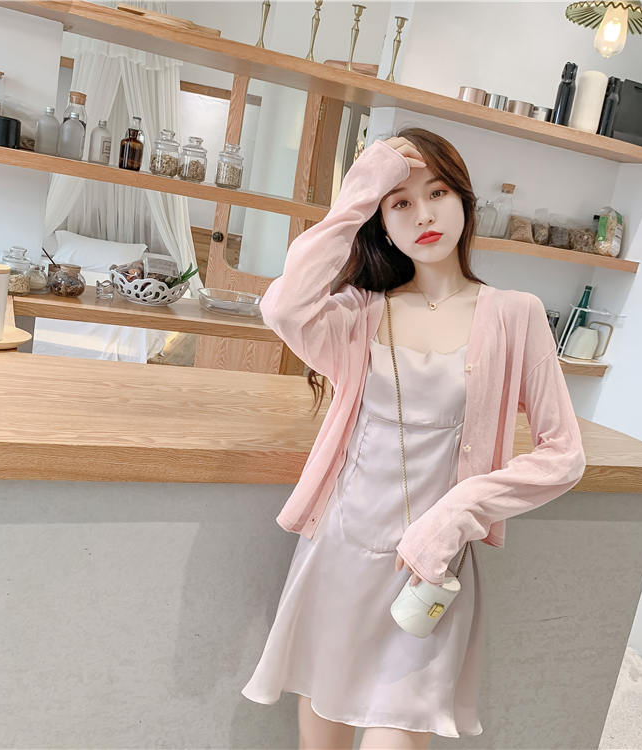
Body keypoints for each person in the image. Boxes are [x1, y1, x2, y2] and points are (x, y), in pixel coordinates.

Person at [241, 127, 586, 750]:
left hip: (429, 569)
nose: (423, 215)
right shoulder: (358, 313)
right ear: (380, 221)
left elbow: (563, 456)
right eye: (400, 202)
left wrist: (456, 515)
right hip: (341, 553)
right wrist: (360, 189)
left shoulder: (515, 314)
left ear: (465, 202)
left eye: (438, 193)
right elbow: (283, 308)